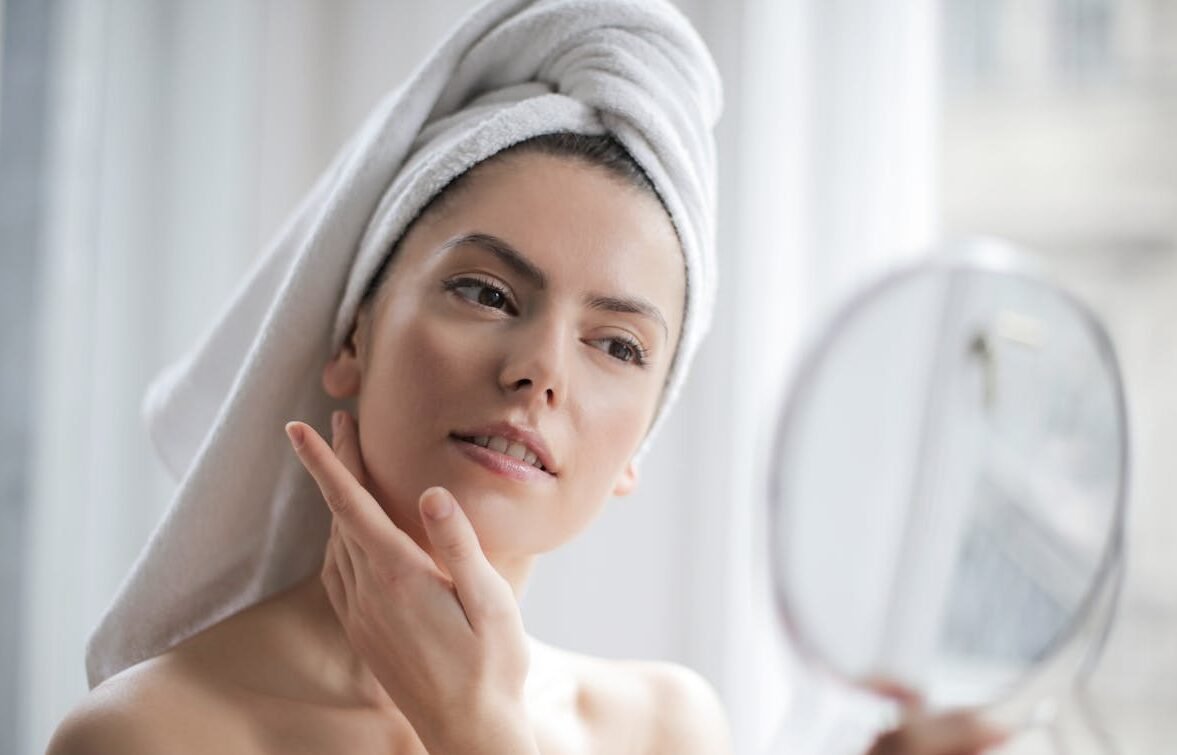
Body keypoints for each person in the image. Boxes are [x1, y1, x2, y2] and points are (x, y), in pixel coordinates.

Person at [47, 1, 1007, 753]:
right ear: (349, 335)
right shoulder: (148, 737)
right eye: (486, 291)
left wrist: (479, 734)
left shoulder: (666, 731)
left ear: (640, 443)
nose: (540, 370)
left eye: (618, 345)